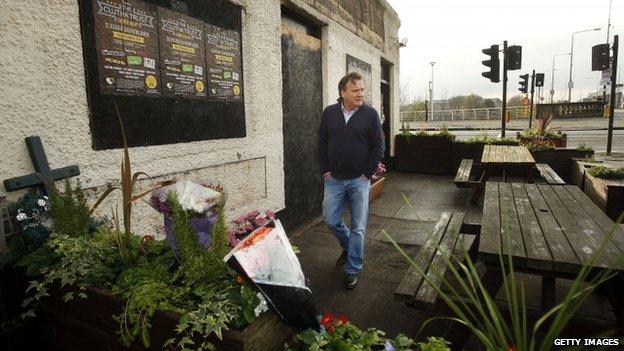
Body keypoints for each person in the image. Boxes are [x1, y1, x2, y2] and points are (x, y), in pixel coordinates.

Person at [317, 72, 382, 289]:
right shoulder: (329, 113)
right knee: (330, 219)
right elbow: (321, 143)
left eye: (362, 90)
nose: (360, 94)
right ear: (343, 92)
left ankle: (352, 269)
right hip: (333, 179)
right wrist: (325, 170)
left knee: (359, 227)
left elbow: (377, 146)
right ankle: (348, 246)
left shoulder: (370, 115)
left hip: (359, 180)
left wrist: (367, 172)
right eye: (355, 90)